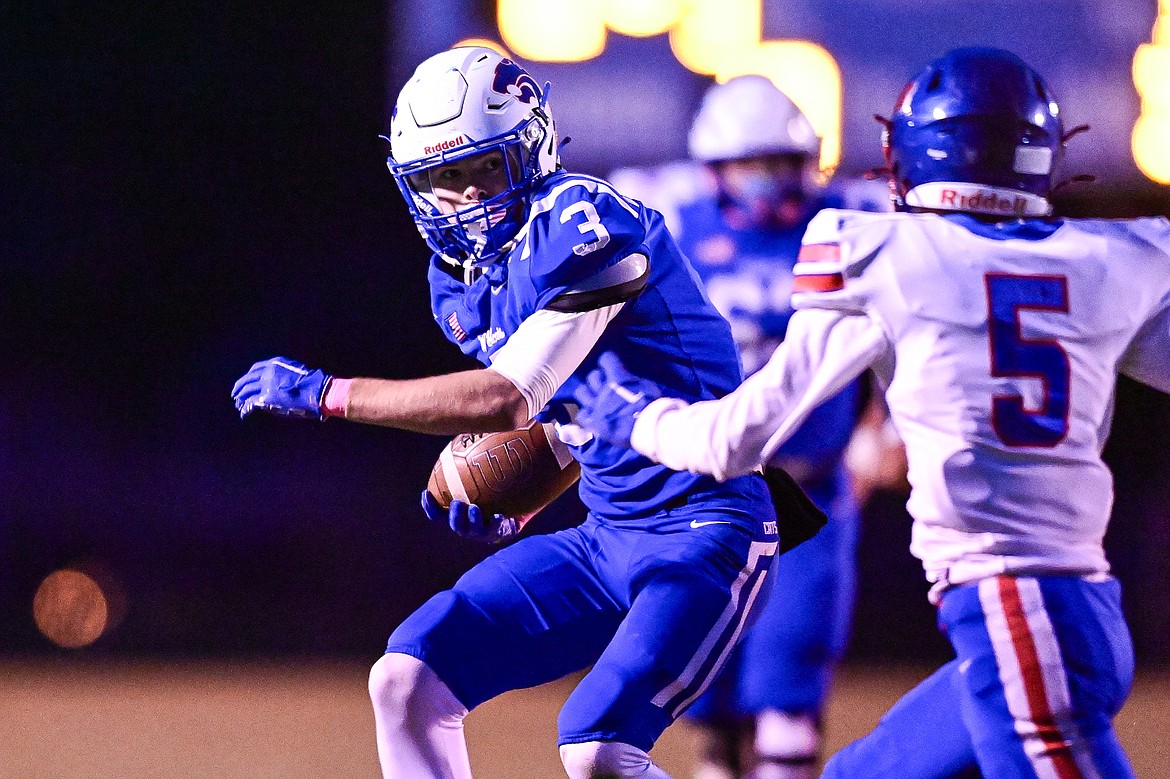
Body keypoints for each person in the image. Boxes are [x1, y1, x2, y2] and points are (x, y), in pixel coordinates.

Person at [573, 47, 1167, 778]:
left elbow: (731, 439)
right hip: (1058, 615)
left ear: (913, 150)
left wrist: (630, 416)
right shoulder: (1120, 254)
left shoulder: (878, 248)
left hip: (1020, 607)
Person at [231, 46, 806, 779]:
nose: (467, 198)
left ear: (530, 151)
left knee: (598, 745)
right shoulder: (464, 282)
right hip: (608, 533)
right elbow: (576, 412)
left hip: (709, 531)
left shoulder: (583, 223)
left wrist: (330, 394)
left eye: (484, 170)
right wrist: (528, 492)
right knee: (406, 678)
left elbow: (509, 396)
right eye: (445, 179)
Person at [615, 76, 889, 779]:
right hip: (704, 487)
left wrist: (884, 424)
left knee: (793, 676)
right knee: (703, 691)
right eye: (754, 164)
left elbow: (905, 330)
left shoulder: (851, 220)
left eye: (784, 162)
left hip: (810, 483)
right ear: (713, 168)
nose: (773, 182)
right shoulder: (668, 217)